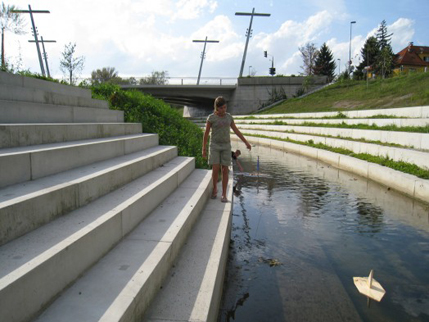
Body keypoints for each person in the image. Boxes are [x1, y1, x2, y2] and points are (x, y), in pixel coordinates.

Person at [202, 96, 251, 203]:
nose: (224, 110)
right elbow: (206, 135)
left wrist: (246, 142)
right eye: (221, 108)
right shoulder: (211, 118)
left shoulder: (229, 117)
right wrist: (204, 149)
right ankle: (215, 188)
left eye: (225, 107)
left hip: (226, 146)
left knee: (225, 170)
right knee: (215, 169)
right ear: (217, 108)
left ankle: (224, 194)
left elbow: (236, 131)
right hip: (214, 145)